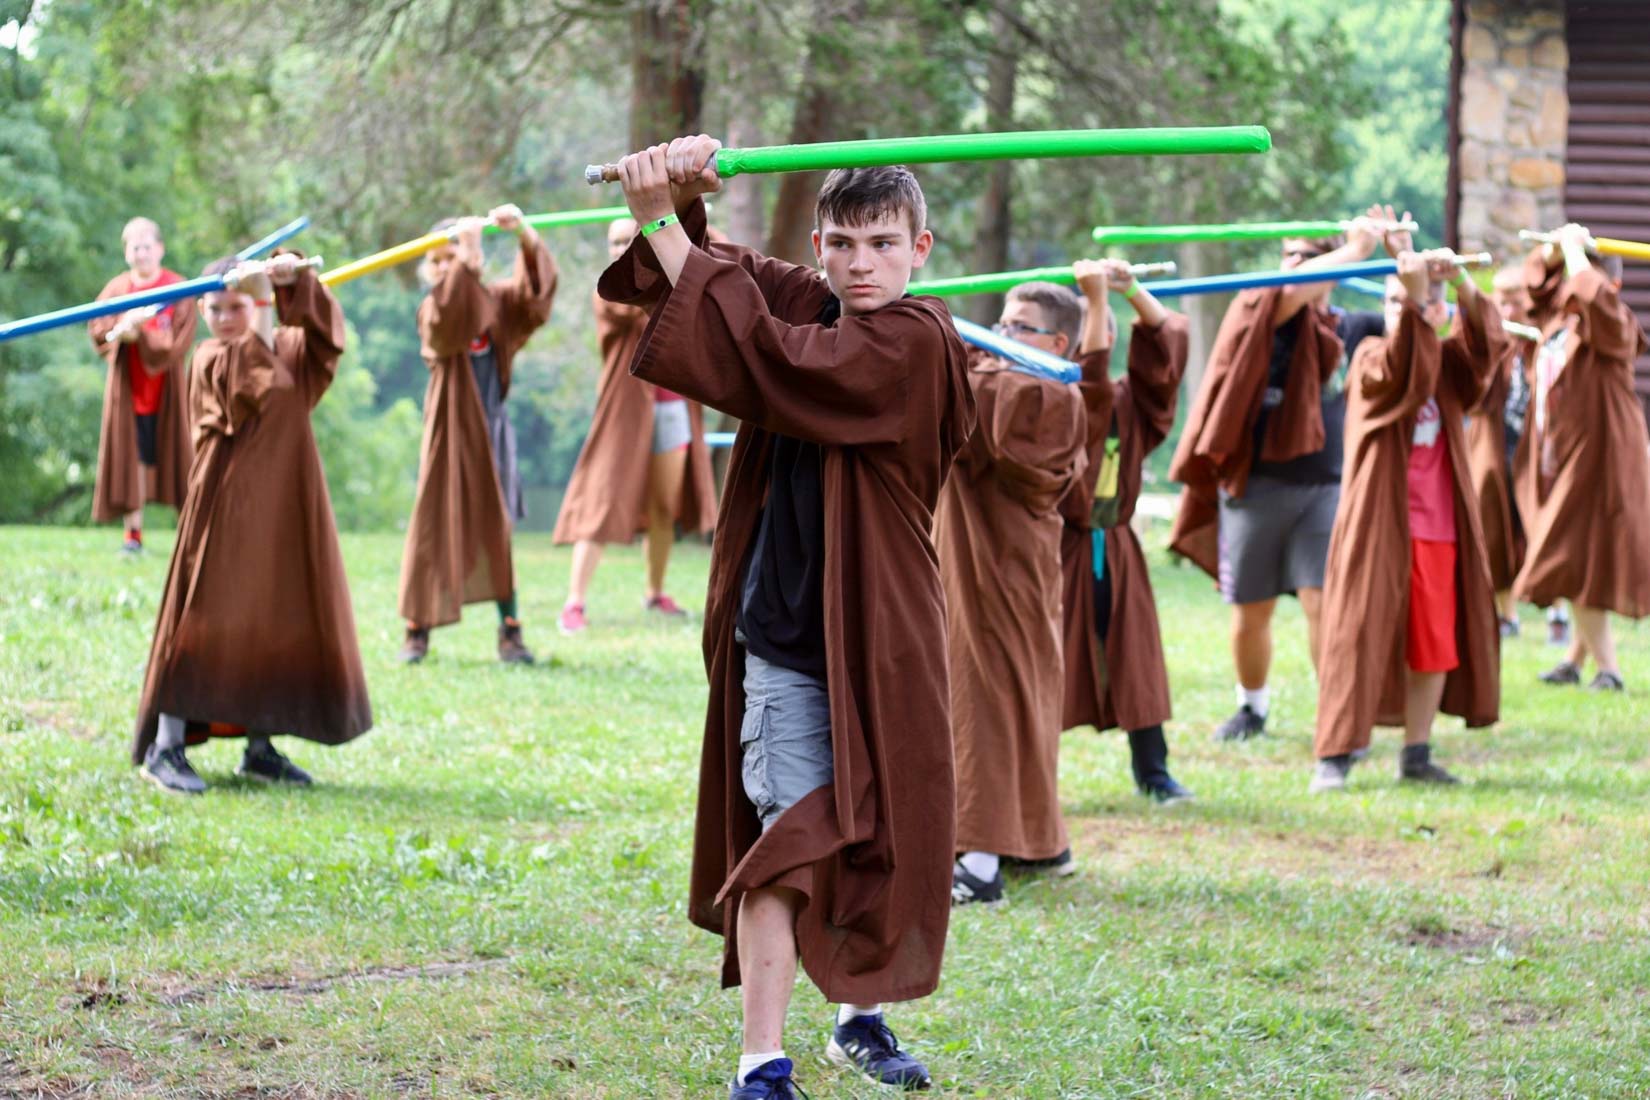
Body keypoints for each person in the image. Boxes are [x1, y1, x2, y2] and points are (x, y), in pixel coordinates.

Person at [599, 135, 974, 1098]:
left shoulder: (917, 342)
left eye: (883, 244)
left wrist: (658, 224)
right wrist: (678, 200)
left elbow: (770, 360)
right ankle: (761, 1061)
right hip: (787, 636)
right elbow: (708, 282)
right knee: (791, 830)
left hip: (883, 640)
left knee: (879, 831)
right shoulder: (814, 297)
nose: (862, 264)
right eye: (843, 244)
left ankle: (860, 1015)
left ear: (921, 248)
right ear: (820, 247)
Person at [133, 252, 371, 793]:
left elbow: (326, 340)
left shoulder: (283, 343)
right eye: (214, 308)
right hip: (224, 500)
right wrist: (262, 301)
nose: (224, 318)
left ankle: (260, 749)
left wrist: (296, 281)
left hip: (285, 500)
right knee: (205, 617)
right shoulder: (208, 358)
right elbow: (252, 384)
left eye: (235, 306)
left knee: (272, 616)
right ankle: (165, 748)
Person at [1169, 206, 1396, 741]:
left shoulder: (1350, 325)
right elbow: (1289, 291)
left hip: (1323, 486)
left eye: (1306, 256)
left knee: (1322, 602)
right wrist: (1354, 250)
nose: (1292, 265)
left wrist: (1400, 262)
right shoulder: (1261, 305)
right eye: (1286, 254)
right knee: (1252, 609)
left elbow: (1422, 332)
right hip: (1256, 485)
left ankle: (1332, 716)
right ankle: (1252, 707)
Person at [1311, 249, 1502, 792]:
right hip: (1377, 524)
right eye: (1394, 302)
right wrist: (1417, 299)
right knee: (1356, 634)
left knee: (1434, 643)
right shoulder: (1371, 357)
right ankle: (1336, 752)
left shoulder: (1449, 364)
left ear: (1440, 313)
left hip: (1439, 527)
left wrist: (1461, 282)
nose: (1403, 310)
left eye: (1415, 302)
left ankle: (1416, 753)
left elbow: (1487, 350)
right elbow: (1400, 373)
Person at [937, 282, 1087, 906]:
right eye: (998, 322)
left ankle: (979, 862)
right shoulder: (1010, 380)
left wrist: (938, 340)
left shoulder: (1047, 396)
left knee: (989, 701)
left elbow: (973, 406)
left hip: (1005, 572)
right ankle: (1039, 842)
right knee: (1009, 700)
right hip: (985, 566)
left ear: (1056, 344)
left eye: (1017, 327)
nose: (1000, 336)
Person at [396, 205, 557, 665]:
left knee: (496, 527)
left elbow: (536, 299)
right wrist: (467, 258)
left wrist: (524, 233)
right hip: (448, 432)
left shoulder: (497, 303)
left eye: (455, 259)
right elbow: (448, 324)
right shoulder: (432, 308)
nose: (449, 268)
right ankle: (417, 628)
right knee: (433, 527)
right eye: (441, 262)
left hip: (492, 429)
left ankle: (510, 629)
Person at [1061, 259, 1195, 802]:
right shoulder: (1052, 396)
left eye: (1104, 328)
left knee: (1135, 657)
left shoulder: (1131, 402)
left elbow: (1165, 353)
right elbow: (1089, 387)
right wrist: (1093, 301)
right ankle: (1030, 775)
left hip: (1115, 540)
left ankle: (1153, 770)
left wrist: (1129, 290)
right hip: (1058, 544)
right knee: (1048, 657)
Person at [552, 216, 717, 633]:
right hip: (625, 415)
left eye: (630, 239)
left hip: (673, 408)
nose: (621, 248)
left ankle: (654, 592)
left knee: (664, 506)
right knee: (601, 503)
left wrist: (693, 224)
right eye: (615, 242)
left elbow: (714, 263)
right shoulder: (610, 290)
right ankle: (574, 602)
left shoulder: (675, 275)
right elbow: (638, 308)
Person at [1516, 224, 1650, 691]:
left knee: (1569, 552)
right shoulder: (1558, 324)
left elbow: (1601, 309)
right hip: (1563, 455)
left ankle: (1608, 670)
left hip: (1605, 457)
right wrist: (1554, 251)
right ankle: (1576, 660)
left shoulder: (1618, 325)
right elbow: (1533, 291)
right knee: (1581, 556)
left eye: (1582, 276)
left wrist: (1577, 257)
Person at [86, 218, 197, 553]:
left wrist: (143, 335)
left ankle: (190, 534)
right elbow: (98, 328)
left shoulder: (179, 288)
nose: (142, 253)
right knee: (129, 458)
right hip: (128, 390)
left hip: (167, 391)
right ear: (126, 253)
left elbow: (180, 341)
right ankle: (132, 536)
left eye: (147, 245)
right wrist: (122, 330)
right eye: (135, 246)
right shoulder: (116, 291)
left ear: (160, 248)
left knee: (179, 457)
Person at [1469, 266, 1538, 637]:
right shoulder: (1495, 340)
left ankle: (1555, 611)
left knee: (1542, 528)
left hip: (1536, 451)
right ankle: (1506, 613)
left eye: (1516, 302)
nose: (1509, 311)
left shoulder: (1543, 340)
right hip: (1495, 448)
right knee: (1494, 526)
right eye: (1503, 302)